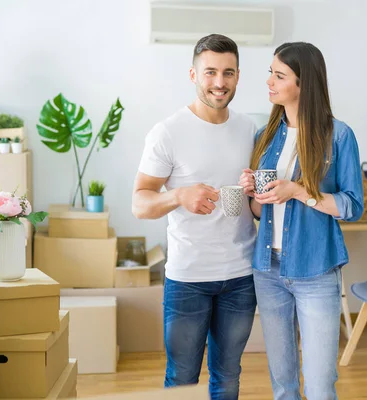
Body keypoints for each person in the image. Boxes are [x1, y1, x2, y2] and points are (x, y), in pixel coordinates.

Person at [132, 33, 258, 400]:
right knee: (183, 379)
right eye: (210, 72)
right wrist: (179, 195)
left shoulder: (249, 128)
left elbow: (255, 207)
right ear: (193, 75)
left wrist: (254, 191)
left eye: (228, 73)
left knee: (228, 375)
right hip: (188, 278)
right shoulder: (168, 132)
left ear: (238, 76)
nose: (220, 82)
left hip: (240, 275)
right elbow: (140, 203)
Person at [238, 42, 364, 400]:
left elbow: (353, 206)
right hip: (268, 270)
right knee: (283, 383)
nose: (269, 82)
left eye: (279, 75)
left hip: (316, 271)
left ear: (303, 84)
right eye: (270, 72)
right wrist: (254, 194)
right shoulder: (265, 136)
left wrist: (298, 191)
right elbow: (261, 213)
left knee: (321, 383)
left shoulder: (338, 136)